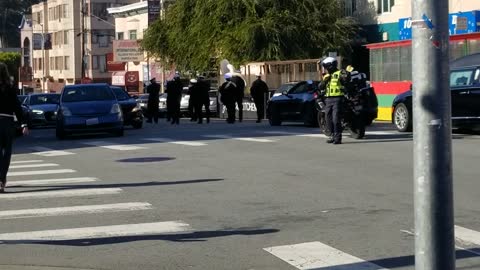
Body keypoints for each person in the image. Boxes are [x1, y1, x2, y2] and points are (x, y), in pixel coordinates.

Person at [0, 62, 29, 193]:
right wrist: (23, 124)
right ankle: (1, 179)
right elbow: (17, 107)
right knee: (7, 153)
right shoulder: (10, 87)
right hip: (7, 122)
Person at [319, 57, 349, 145]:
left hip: (338, 99)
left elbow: (346, 80)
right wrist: (324, 81)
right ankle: (332, 135)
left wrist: (346, 75)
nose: (326, 68)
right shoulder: (327, 76)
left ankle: (338, 138)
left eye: (326, 66)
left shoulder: (340, 73)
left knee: (336, 119)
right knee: (327, 118)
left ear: (330, 66)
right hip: (328, 99)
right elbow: (320, 87)